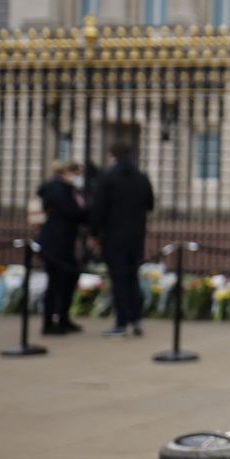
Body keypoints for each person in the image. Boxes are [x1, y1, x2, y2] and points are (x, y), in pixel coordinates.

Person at [88, 143, 155, 338]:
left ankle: (121, 322)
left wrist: (93, 233)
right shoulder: (142, 178)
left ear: (112, 157)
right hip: (136, 236)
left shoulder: (107, 178)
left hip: (114, 236)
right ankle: (136, 319)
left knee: (118, 280)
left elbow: (98, 209)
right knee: (132, 278)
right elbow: (150, 204)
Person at [36, 160, 87, 335]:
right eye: (75, 173)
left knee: (69, 278)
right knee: (55, 282)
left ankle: (63, 317)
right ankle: (49, 322)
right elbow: (74, 212)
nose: (78, 176)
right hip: (55, 242)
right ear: (66, 173)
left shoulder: (69, 190)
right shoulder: (57, 189)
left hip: (65, 241)